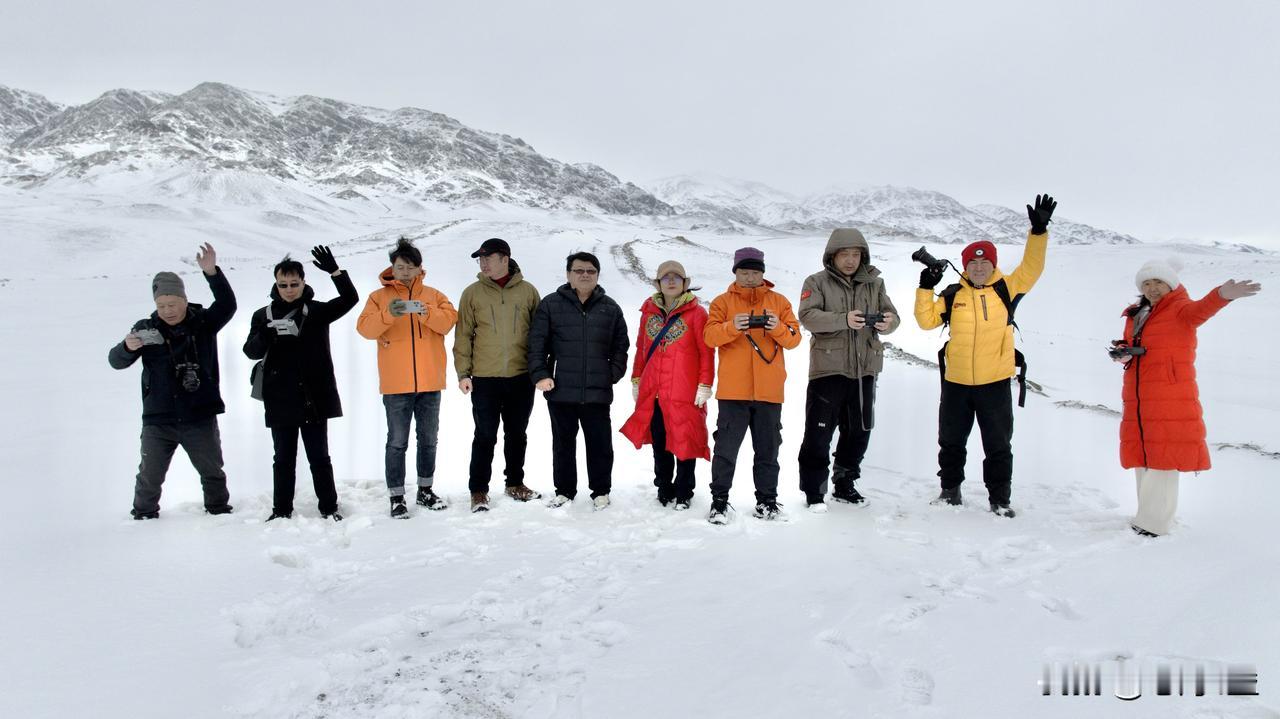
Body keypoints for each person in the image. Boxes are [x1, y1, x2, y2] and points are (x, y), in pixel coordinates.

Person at [915, 194, 1056, 518]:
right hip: (957, 382)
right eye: (973, 263)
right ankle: (950, 491)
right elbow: (926, 321)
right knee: (950, 441)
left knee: (998, 445)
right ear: (965, 266)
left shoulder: (1007, 288)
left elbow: (1032, 268)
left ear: (993, 265)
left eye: (985, 262)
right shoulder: (953, 294)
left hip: (994, 383)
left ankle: (999, 499)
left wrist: (1037, 233)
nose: (979, 268)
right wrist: (925, 287)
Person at [1115, 258, 1261, 536]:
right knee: (1144, 455)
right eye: (1146, 283)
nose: (1152, 288)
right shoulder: (1137, 313)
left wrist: (1221, 295)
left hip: (1169, 394)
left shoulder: (1180, 309)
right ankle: (1144, 515)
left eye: (1158, 281)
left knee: (1164, 457)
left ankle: (1154, 524)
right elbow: (1134, 346)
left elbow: (1201, 310)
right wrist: (1123, 351)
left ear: (1171, 283)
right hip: (1138, 393)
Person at [108, 243, 236, 519]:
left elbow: (227, 305)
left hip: (199, 415)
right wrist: (127, 347)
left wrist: (212, 272)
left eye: (173, 304)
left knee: (212, 470)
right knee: (149, 475)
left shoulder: (203, 323)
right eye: (161, 305)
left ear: (184, 300)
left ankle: (219, 513)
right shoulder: (145, 329)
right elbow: (116, 361)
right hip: (158, 417)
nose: (167, 310)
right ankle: (142, 516)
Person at [243, 246, 358, 522]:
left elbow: (350, 299)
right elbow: (250, 351)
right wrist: (267, 335)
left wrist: (335, 271)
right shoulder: (263, 315)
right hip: (279, 397)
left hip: (313, 397)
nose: (289, 289)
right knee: (282, 459)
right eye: (283, 284)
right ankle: (281, 510)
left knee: (319, 457)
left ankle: (329, 508)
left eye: (295, 284)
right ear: (276, 284)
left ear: (304, 282)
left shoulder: (316, 311)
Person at [796, 228, 900, 512]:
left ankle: (845, 483)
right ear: (832, 256)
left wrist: (887, 322)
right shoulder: (816, 282)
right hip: (828, 370)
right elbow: (808, 316)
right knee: (819, 433)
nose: (851, 260)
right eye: (845, 254)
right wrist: (844, 319)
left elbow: (894, 317)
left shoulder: (874, 284)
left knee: (858, 431)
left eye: (856, 254)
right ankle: (814, 492)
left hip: (865, 369)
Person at [356, 238, 458, 518]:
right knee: (397, 441)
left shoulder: (434, 295)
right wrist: (389, 314)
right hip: (396, 383)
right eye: (399, 266)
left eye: (409, 267)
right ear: (392, 267)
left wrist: (426, 312)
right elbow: (365, 329)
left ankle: (425, 491)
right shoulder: (379, 298)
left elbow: (449, 322)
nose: (404, 272)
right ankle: (396, 497)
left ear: (419, 269)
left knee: (428, 439)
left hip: (430, 381)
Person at [703, 247, 802, 524]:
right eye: (744, 272)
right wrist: (733, 326)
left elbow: (794, 340)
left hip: (769, 392)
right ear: (735, 272)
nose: (749, 277)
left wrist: (776, 327)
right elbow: (709, 337)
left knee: (768, 451)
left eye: (755, 272)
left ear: (763, 273)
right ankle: (719, 502)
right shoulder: (722, 302)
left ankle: (767, 502)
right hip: (733, 392)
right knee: (725, 451)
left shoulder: (779, 302)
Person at [527, 251, 629, 509]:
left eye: (590, 271)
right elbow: (537, 343)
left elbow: (621, 345)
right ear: (569, 274)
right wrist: (541, 374)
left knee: (600, 444)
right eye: (579, 270)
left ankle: (601, 491)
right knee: (562, 444)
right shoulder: (550, 304)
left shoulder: (610, 308)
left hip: (597, 390)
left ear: (597, 275)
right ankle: (564, 491)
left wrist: (612, 373)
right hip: (560, 389)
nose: (585, 275)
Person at [453, 238, 544, 513]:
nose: (483, 264)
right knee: (484, 435)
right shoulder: (472, 293)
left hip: (520, 377)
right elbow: (463, 335)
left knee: (517, 434)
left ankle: (515, 483)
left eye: (488, 258)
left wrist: (539, 371)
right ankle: (478, 490)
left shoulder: (528, 292)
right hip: (485, 377)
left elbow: (539, 336)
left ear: (505, 258)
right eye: (480, 260)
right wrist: (463, 373)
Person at [620, 261, 715, 510]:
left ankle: (684, 490)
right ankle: (664, 486)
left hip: (684, 391)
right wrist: (637, 379)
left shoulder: (697, 314)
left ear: (685, 283)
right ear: (658, 283)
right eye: (665, 278)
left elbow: (706, 352)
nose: (671, 281)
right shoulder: (649, 312)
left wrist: (705, 384)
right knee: (660, 441)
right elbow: (641, 349)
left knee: (686, 440)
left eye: (676, 277)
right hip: (654, 390)